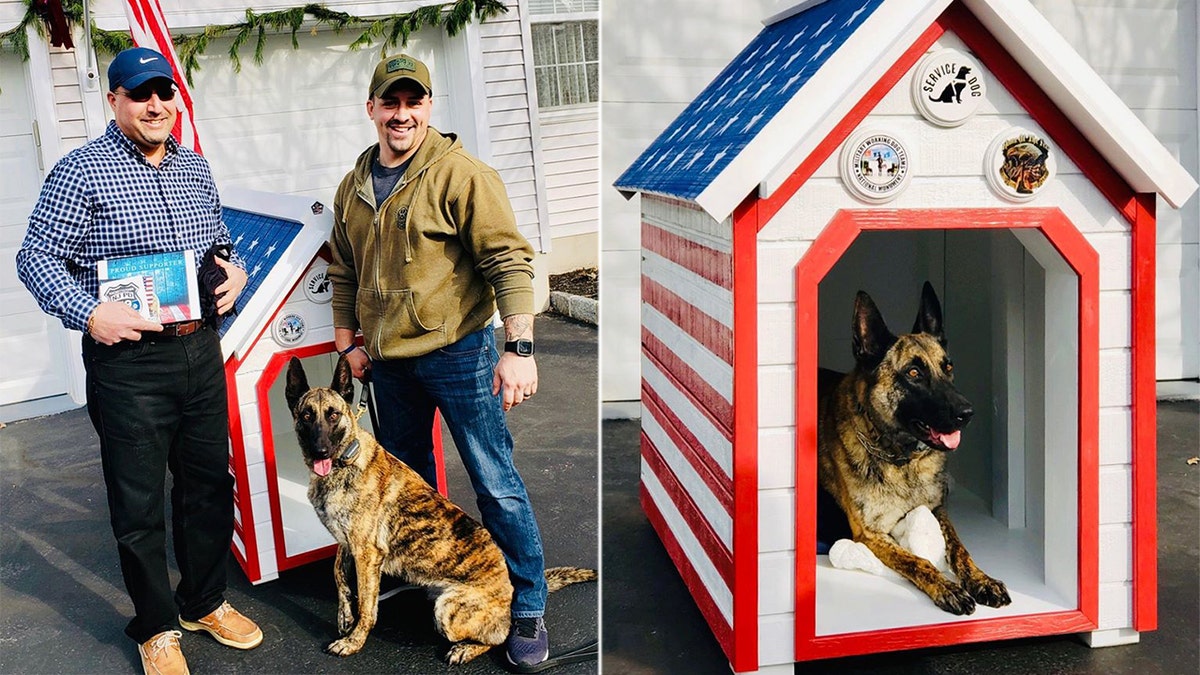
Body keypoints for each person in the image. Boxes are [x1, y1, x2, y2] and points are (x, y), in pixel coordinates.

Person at [15, 47, 261, 675]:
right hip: (129, 367)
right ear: (115, 100)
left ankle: (203, 602)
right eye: (140, 93)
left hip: (198, 352)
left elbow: (217, 242)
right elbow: (36, 258)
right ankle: (155, 628)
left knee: (209, 486)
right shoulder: (82, 171)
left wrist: (231, 268)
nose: (156, 105)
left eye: (165, 92)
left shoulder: (194, 167)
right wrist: (89, 312)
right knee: (139, 502)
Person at [326, 53, 552, 667]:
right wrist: (348, 342)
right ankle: (421, 574)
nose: (401, 114)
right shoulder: (353, 187)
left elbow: (508, 260)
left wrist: (520, 347)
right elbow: (343, 269)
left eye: (413, 102)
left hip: (460, 353)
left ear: (428, 107)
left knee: (494, 482)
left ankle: (527, 605)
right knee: (409, 488)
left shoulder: (463, 175)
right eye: (390, 102)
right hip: (389, 364)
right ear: (371, 108)